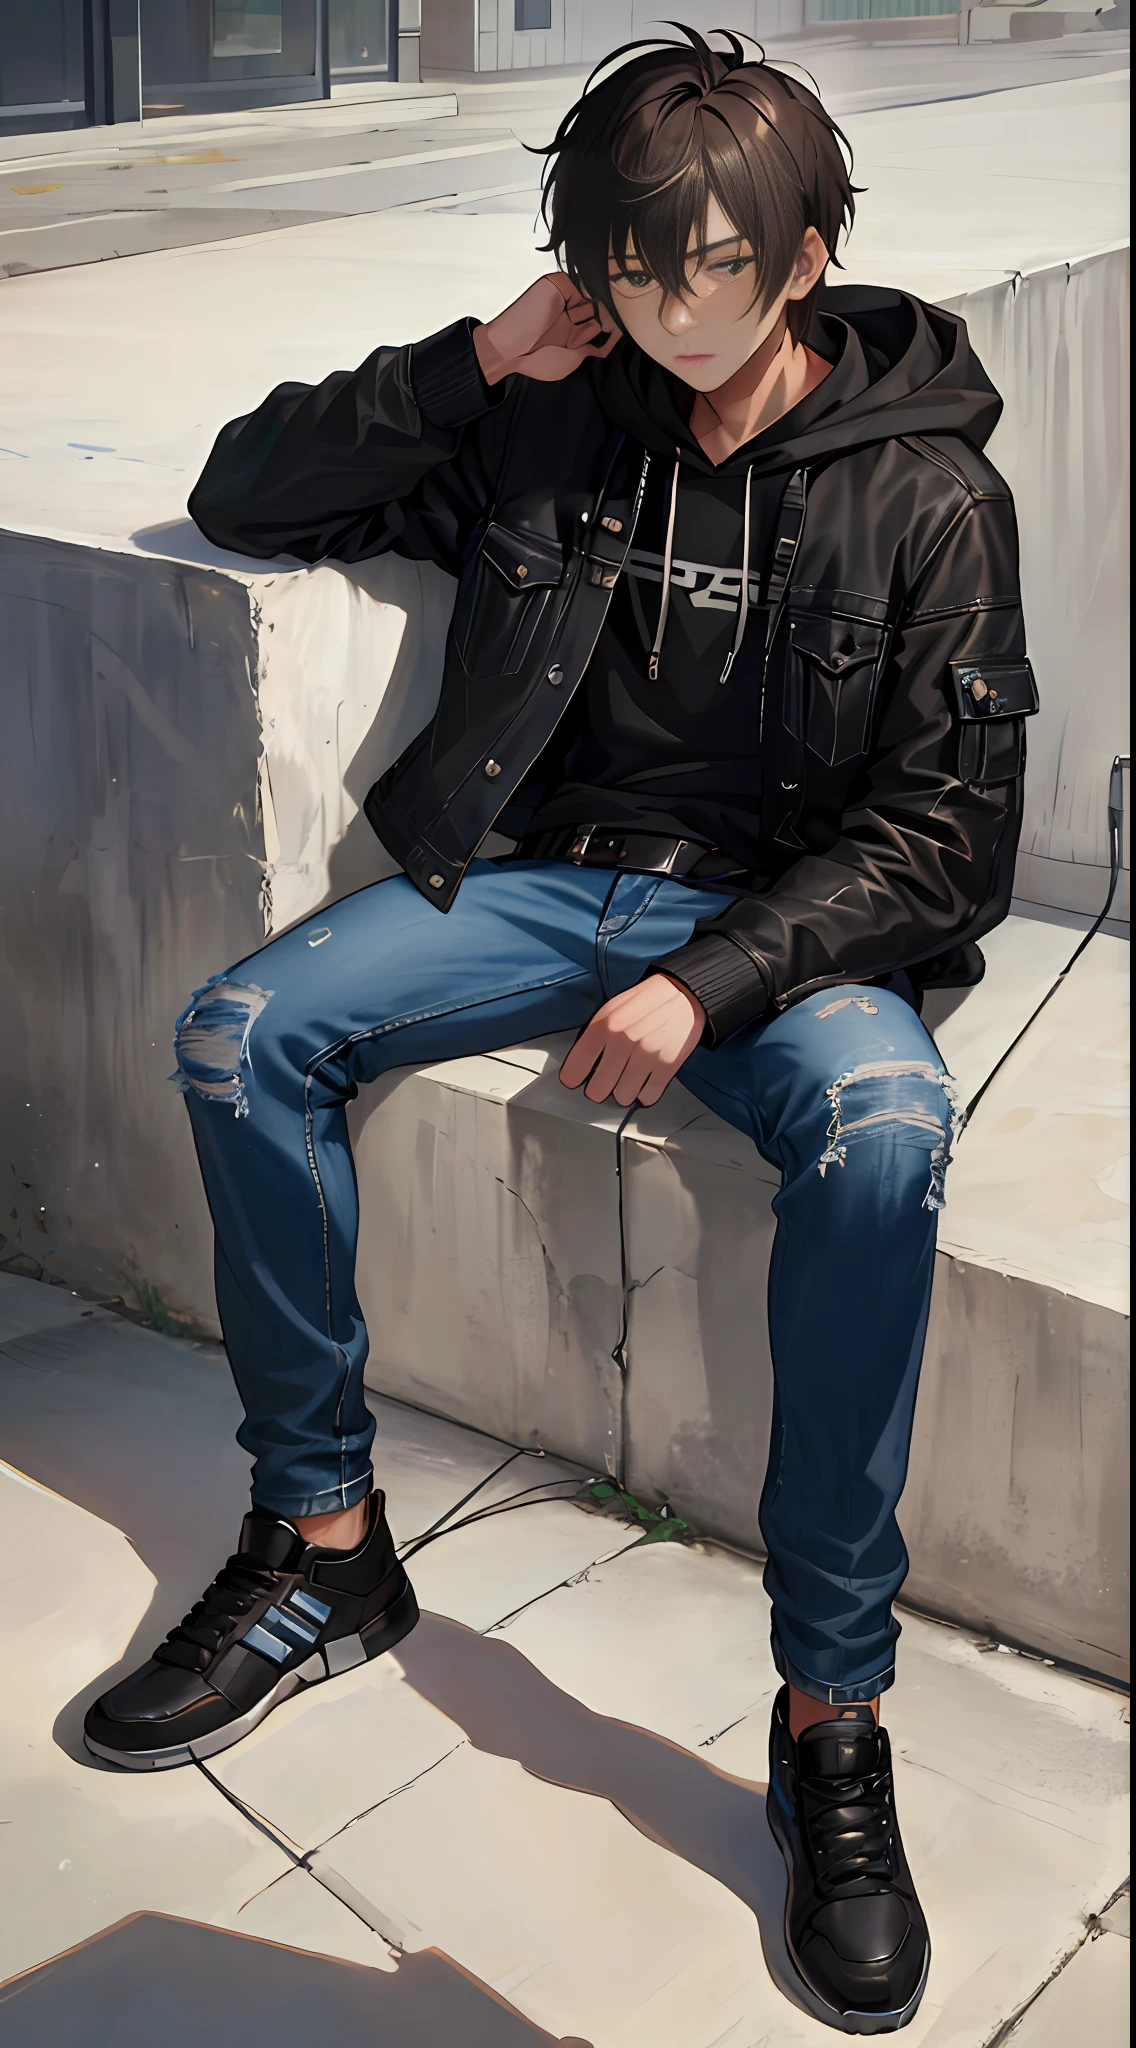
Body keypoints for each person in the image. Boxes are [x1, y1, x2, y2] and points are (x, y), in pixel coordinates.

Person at [84, 30, 1036, 2034]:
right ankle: (325, 1540)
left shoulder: (929, 493)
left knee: (882, 1136)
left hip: (789, 929)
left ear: (803, 255)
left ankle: (827, 1704)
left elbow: (944, 837)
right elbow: (246, 493)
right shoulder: (553, 416)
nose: (666, 309)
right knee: (238, 1036)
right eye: (624, 267)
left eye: (706, 266)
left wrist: (712, 980)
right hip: (538, 879)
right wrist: (468, 368)